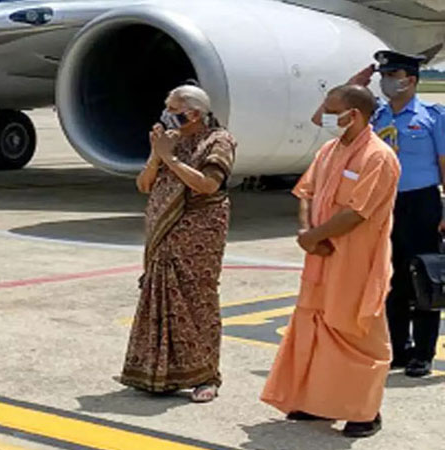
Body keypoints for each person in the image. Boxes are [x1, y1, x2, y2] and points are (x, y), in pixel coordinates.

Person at [262, 85, 399, 438]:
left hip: (356, 262)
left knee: (357, 333)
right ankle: (316, 401)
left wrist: (316, 237)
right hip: (320, 260)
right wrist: (308, 232)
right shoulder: (327, 150)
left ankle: (364, 411)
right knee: (314, 327)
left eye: (329, 108)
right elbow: (305, 192)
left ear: (352, 115)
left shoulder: (378, 157)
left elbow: (357, 212)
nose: (322, 114)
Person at [324, 51, 445, 377]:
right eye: (383, 75)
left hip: (420, 203)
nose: (387, 81)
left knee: (423, 276)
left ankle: (423, 352)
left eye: (394, 75)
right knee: (388, 278)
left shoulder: (434, 115)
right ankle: (398, 348)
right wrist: (352, 85)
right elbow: (324, 118)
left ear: (411, 79)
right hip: (381, 204)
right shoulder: (374, 115)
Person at [119, 85, 236, 403]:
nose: (166, 113)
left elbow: (208, 185)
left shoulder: (217, 141)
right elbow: (144, 185)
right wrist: (157, 155)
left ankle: (205, 376)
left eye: (173, 108)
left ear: (194, 113)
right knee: (161, 299)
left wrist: (169, 157)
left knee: (197, 301)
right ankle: (160, 373)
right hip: (164, 233)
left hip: (198, 233)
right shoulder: (167, 139)